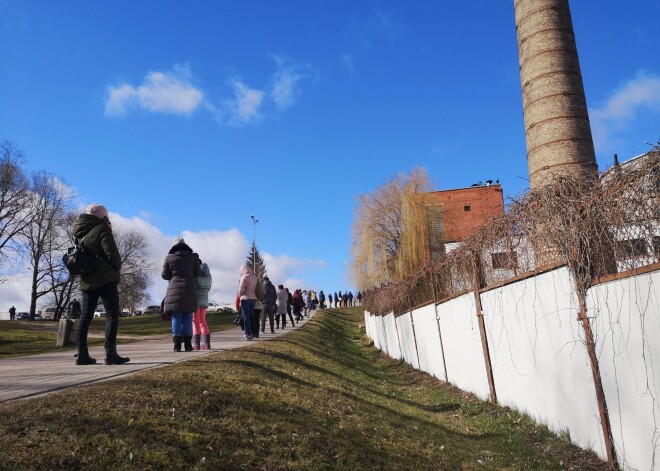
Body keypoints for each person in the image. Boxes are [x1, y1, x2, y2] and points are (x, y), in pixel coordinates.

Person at [72, 203, 129, 366]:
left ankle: (82, 354)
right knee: (112, 314)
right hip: (105, 278)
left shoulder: (79, 232)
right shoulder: (102, 229)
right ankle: (110, 354)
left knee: (85, 316)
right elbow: (113, 255)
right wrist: (116, 268)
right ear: (103, 217)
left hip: (86, 279)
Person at [162, 237, 201, 352]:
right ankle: (188, 345)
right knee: (188, 317)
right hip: (189, 289)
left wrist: (174, 276)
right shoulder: (193, 257)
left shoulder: (169, 258)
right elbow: (198, 273)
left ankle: (177, 345)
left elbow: (164, 275)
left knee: (176, 317)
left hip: (174, 290)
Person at [193, 258, 212, 350]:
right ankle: (207, 344)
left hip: (196, 299)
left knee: (195, 321)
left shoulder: (197, 277)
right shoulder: (209, 277)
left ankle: (196, 344)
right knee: (202, 321)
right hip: (205, 300)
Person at [237, 264, 257, 340]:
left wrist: (239, 295)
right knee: (249, 316)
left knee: (246, 318)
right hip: (253, 299)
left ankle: (248, 334)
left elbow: (241, 290)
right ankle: (250, 333)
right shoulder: (254, 277)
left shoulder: (244, 277)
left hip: (245, 299)